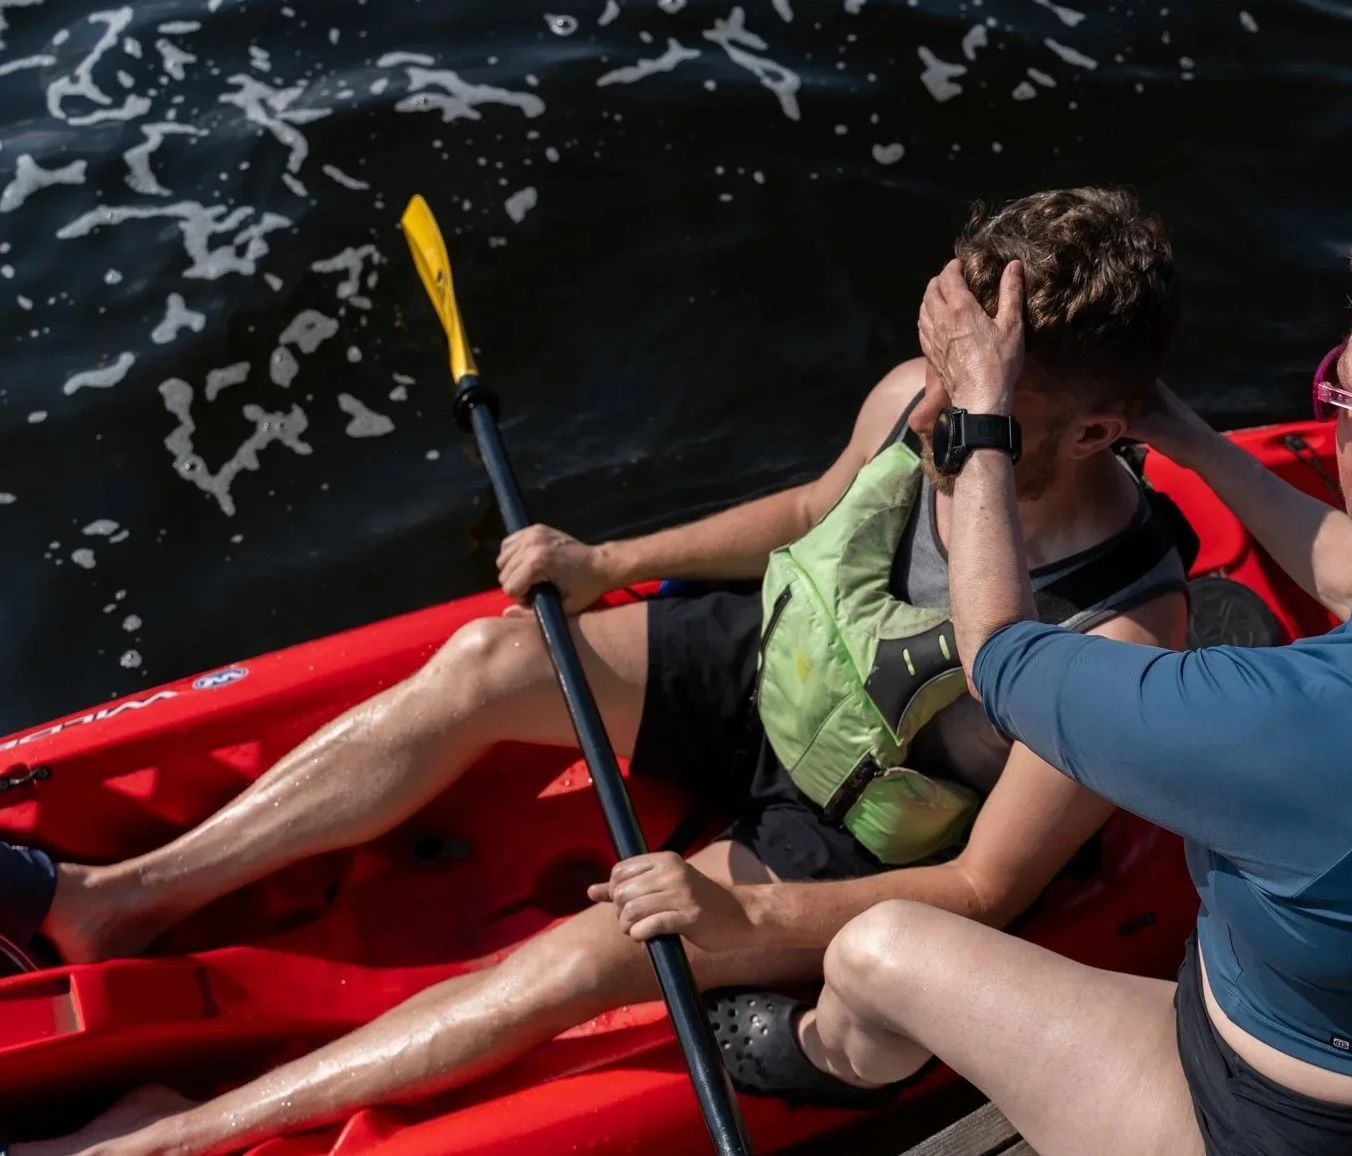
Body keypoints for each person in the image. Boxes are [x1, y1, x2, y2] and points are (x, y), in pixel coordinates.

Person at [20, 187, 1192, 1156]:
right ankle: (120, 896)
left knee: (593, 953)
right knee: (492, 655)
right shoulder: (918, 391)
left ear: (1093, 431)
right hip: (774, 670)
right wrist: (604, 560)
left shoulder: (1123, 634)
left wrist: (748, 909)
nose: (938, 407)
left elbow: (987, 890)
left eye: (981, 401)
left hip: (872, 828)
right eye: (943, 365)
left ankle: (169, 1138)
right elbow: (809, 509)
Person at [795, 179, 1352, 1155]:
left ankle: (814, 1059)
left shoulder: (1305, 729)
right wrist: (1188, 438)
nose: (1327, 411)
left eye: (1344, 396)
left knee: (874, 951)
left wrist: (982, 414)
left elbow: (1000, 658)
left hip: (1270, 1124)